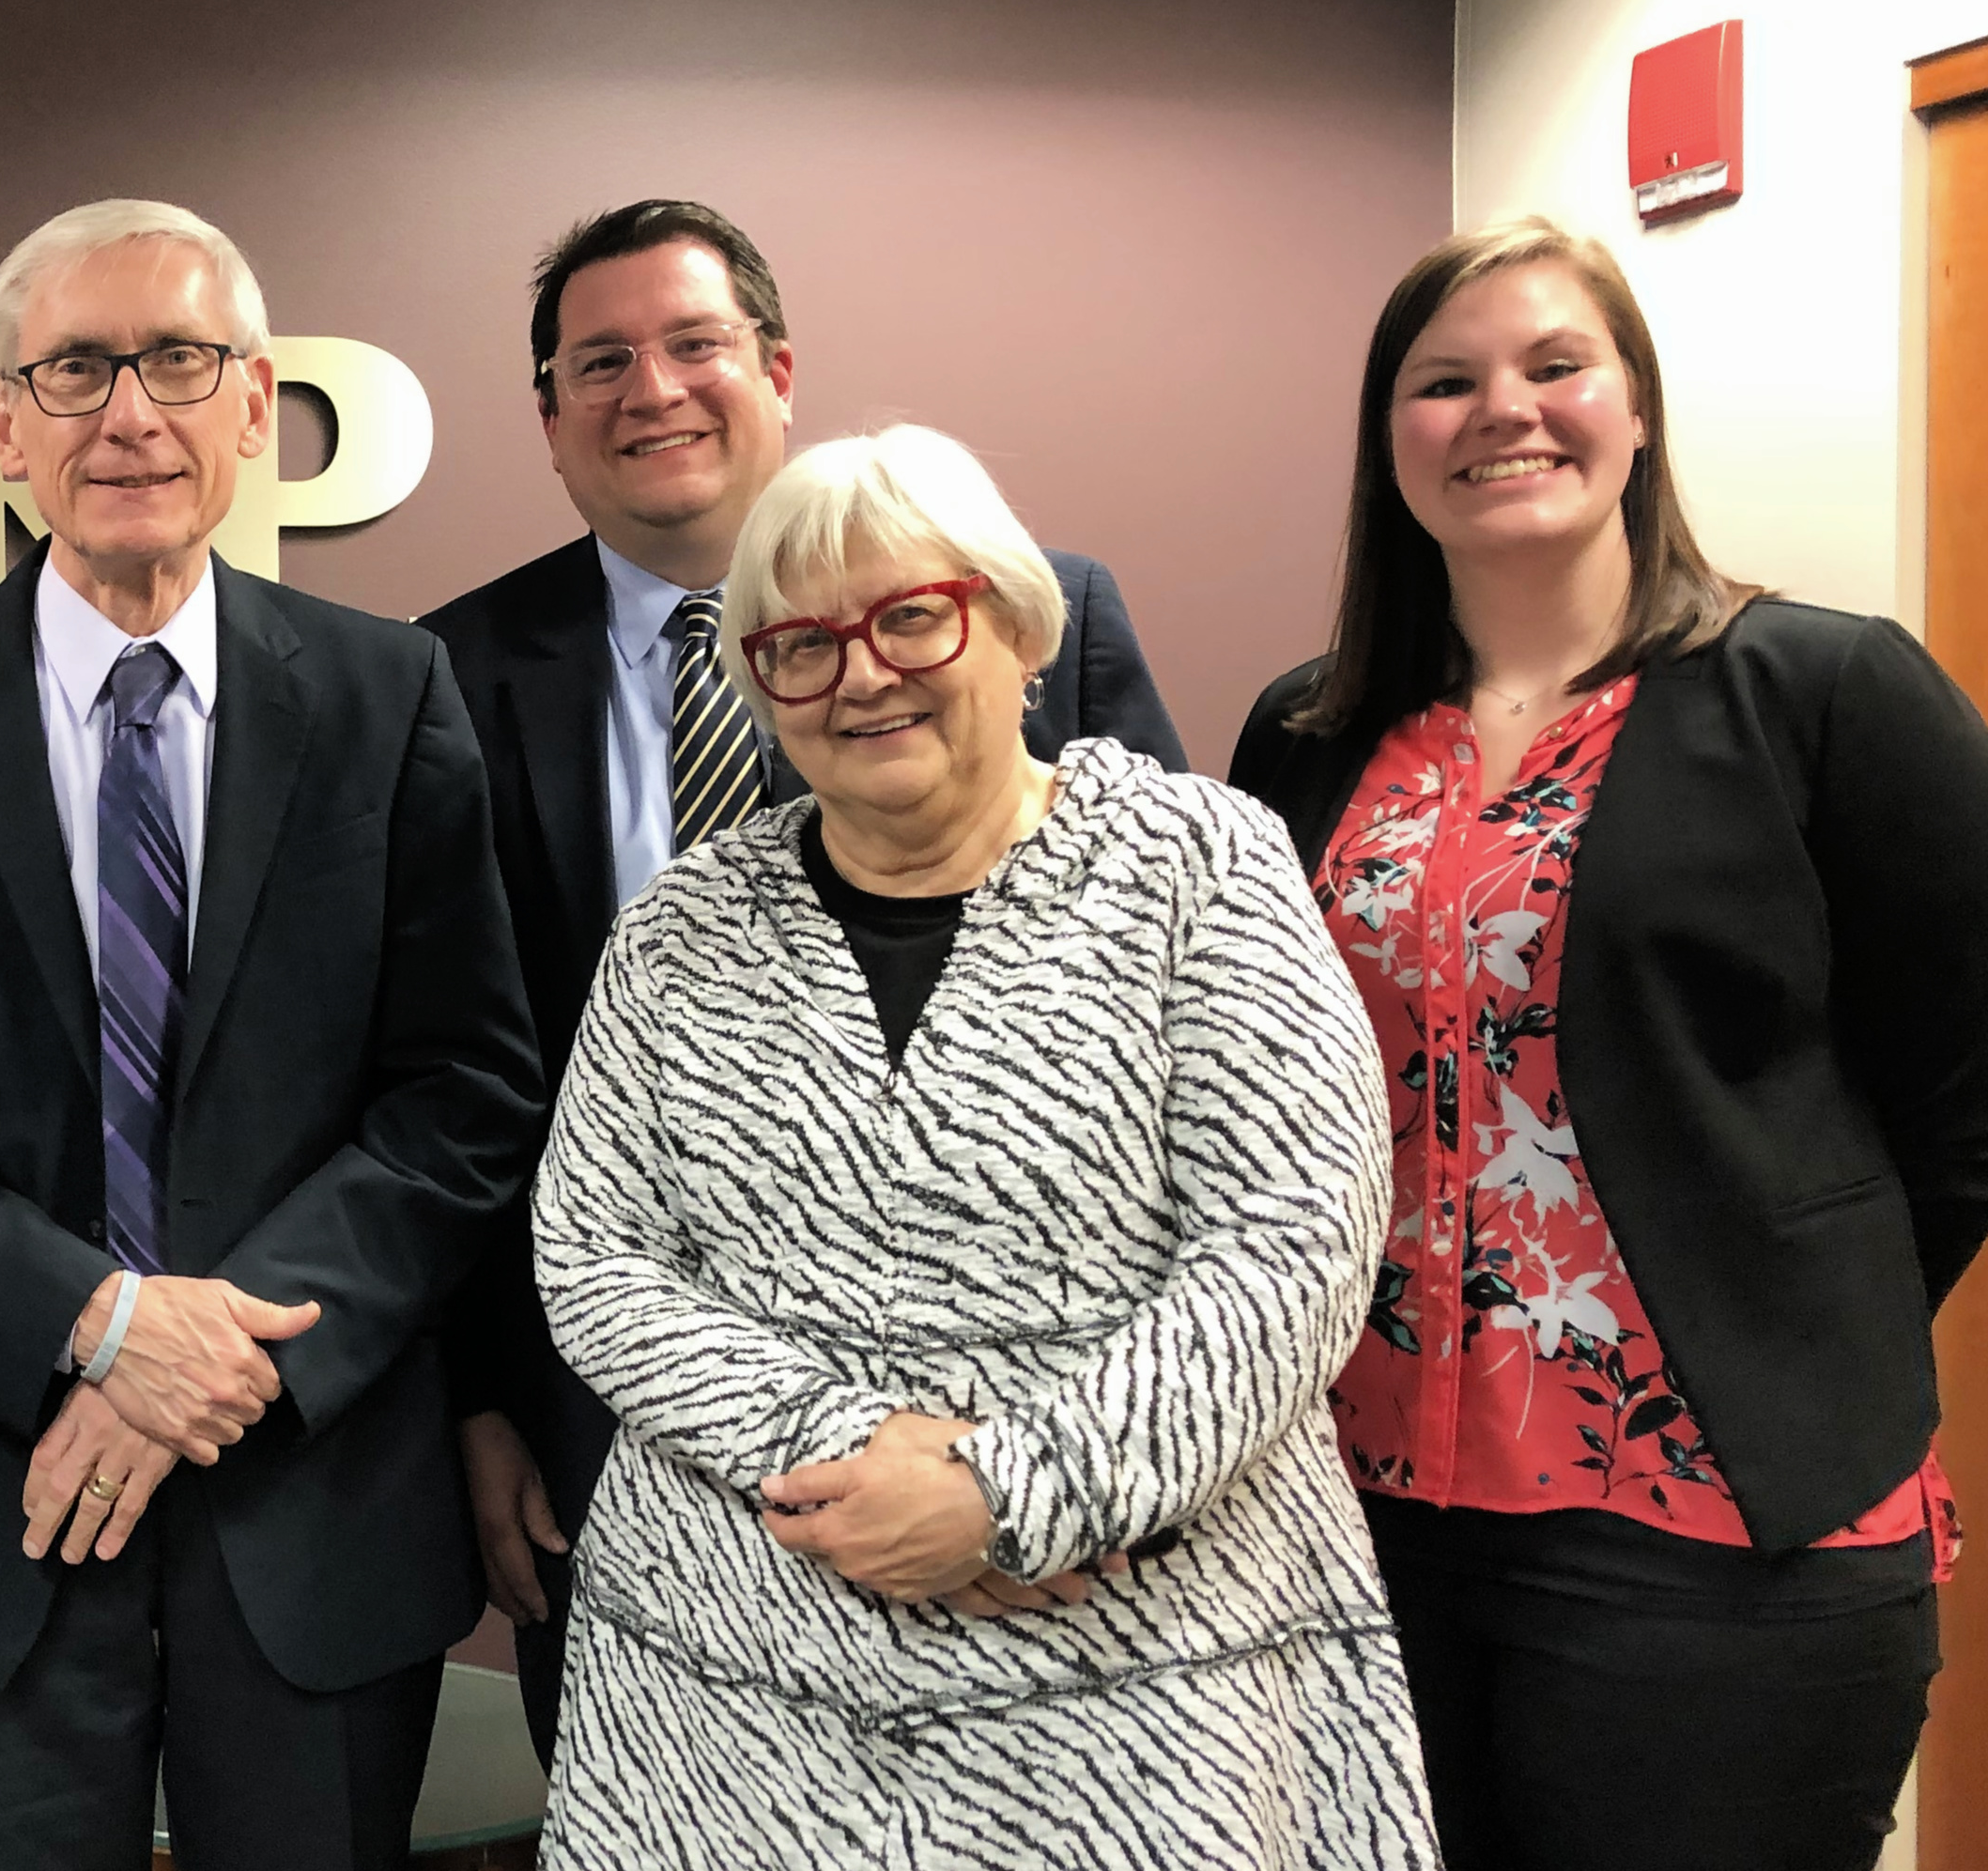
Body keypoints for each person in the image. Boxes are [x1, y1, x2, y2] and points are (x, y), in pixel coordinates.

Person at [534, 423, 1434, 1870]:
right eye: (800, 646)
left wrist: (1013, 1496)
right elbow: (591, 1255)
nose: (861, 674)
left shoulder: (1198, 866)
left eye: (909, 617)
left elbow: (1293, 1243)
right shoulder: (680, 927)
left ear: (1016, 625)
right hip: (730, 1690)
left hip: (1139, 1675)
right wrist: (843, 1452)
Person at [0, 198, 542, 1871]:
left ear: (255, 405)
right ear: (0, 421)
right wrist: (100, 1322)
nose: (130, 413)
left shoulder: (389, 696)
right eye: (73, 369)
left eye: (178, 361)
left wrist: (211, 1357)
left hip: (314, 1520)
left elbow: (462, 1090)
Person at [1228, 218, 1974, 1871]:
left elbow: (1959, 1096)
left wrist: (1774, 1304)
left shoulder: (1824, 691)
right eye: (1444, 382)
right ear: (1388, 440)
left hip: (1716, 1532)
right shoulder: (1303, 735)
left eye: (1555, 366)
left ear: (1633, 411)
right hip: (1357, 1518)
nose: (1504, 409)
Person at [409, 200, 1187, 1756]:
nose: (653, 390)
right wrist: (482, 1399)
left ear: (774, 367)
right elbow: (458, 1076)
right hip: (633, 1410)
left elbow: (1162, 1037)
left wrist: (1092, 1453)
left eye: (694, 345)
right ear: (550, 421)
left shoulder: (1034, 608)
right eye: (600, 363)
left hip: (1040, 1424)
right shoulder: (440, 674)